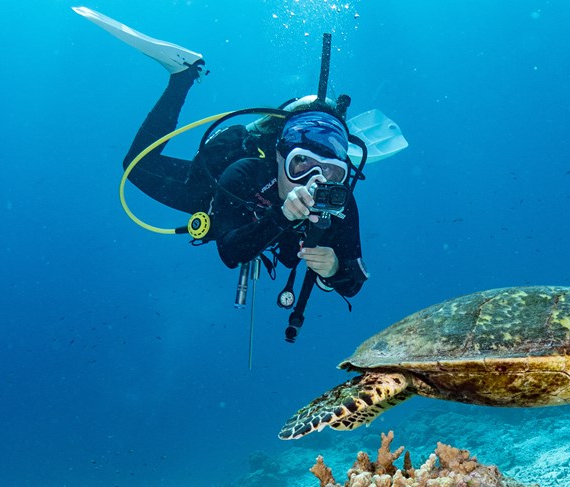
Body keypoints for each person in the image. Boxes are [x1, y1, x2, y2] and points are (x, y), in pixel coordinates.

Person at [75, 7, 370, 314]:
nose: (314, 181)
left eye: (331, 171)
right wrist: (282, 216)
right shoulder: (246, 172)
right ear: (279, 154)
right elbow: (231, 252)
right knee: (137, 167)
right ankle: (182, 77)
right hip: (219, 198)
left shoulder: (337, 200)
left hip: (268, 227)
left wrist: (334, 268)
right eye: (300, 164)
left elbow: (354, 281)